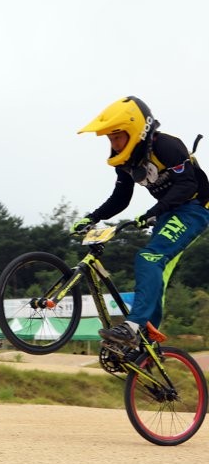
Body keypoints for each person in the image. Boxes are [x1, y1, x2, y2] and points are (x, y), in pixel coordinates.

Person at [74, 96, 209, 350]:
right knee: (155, 268)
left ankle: (133, 327)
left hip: (194, 208)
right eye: (110, 139)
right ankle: (145, 344)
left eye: (117, 137)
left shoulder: (167, 146)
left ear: (136, 130)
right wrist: (93, 217)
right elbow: (121, 198)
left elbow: (187, 184)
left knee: (148, 257)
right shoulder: (126, 162)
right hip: (167, 212)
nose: (113, 144)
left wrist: (153, 211)